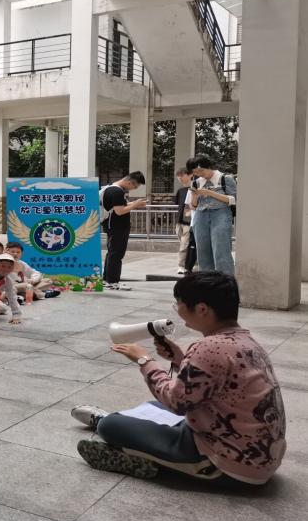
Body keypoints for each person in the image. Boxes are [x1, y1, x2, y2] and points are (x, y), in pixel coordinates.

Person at [72, 272, 285, 485]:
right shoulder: (245, 340)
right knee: (153, 406)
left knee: (110, 426)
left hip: (228, 463)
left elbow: (176, 402)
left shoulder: (209, 347)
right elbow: (210, 385)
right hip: (259, 456)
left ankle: (133, 450)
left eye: (179, 303)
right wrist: (179, 359)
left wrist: (144, 361)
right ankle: (139, 442)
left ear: (202, 309)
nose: (177, 309)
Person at [186, 155, 237, 276]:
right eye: (195, 172)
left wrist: (209, 193)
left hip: (221, 214)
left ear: (209, 166)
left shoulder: (225, 178)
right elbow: (193, 206)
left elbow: (233, 199)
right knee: (202, 252)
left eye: (201, 171)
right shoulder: (197, 182)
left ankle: (225, 282)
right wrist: (195, 196)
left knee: (221, 251)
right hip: (200, 216)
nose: (199, 174)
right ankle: (207, 282)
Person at [100, 171, 147, 290]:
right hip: (117, 227)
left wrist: (134, 204)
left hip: (113, 226)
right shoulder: (117, 191)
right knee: (116, 254)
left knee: (112, 253)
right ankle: (112, 282)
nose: (133, 189)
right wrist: (135, 204)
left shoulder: (111, 188)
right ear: (130, 182)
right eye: (134, 187)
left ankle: (107, 280)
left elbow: (118, 206)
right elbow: (119, 211)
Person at [173, 168, 196, 275]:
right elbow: (178, 205)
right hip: (179, 222)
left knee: (184, 245)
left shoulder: (195, 189)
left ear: (190, 175)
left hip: (189, 222)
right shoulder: (180, 191)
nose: (180, 178)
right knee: (183, 245)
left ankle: (181, 266)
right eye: (178, 176)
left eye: (182, 175)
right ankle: (189, 264)